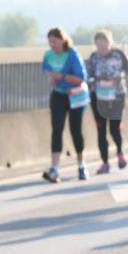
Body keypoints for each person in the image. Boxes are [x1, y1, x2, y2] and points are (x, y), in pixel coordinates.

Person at [85, 30, 128, 174]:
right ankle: (104, 162)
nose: (101, 49)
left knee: (114, 129)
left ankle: (120, 154)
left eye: (104, 45)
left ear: (110, 43)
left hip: (117, 96)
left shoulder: (120, 55)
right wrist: (92, 81)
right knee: (101, 130)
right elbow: (88, 75)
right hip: (98, 98)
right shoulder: (93, 58)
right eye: (98, 46)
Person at [41, 27, 89, 183]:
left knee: (75, 130)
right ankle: (54, 168)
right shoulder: (48, 55)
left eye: (54, 41)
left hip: (75, 95)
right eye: (49, 42)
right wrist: (51, 78)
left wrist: (61, 76)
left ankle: (81, 164)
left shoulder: (72, 55)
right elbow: (47, 71)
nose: (52, 45)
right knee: (57, 129)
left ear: (62, 40)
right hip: (59, 95)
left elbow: (81, 79)